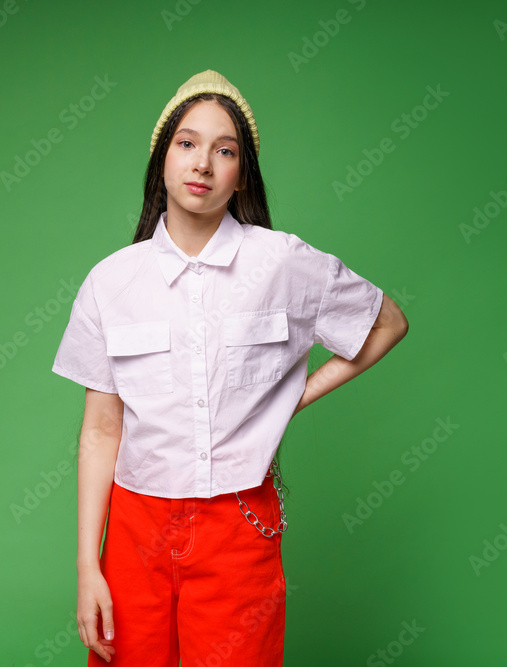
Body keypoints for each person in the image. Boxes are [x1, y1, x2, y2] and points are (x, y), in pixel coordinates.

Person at [51, 69, 408, 666]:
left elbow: (387, 322)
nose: (203, 164)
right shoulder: (110, 281)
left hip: (238, 526)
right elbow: (100, 430)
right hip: (136, 529)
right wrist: (89, 565)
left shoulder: (282, 262)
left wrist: (293, 394)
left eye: (225, 150)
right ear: (161, 159)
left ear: (241, 173)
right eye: (187, 144)